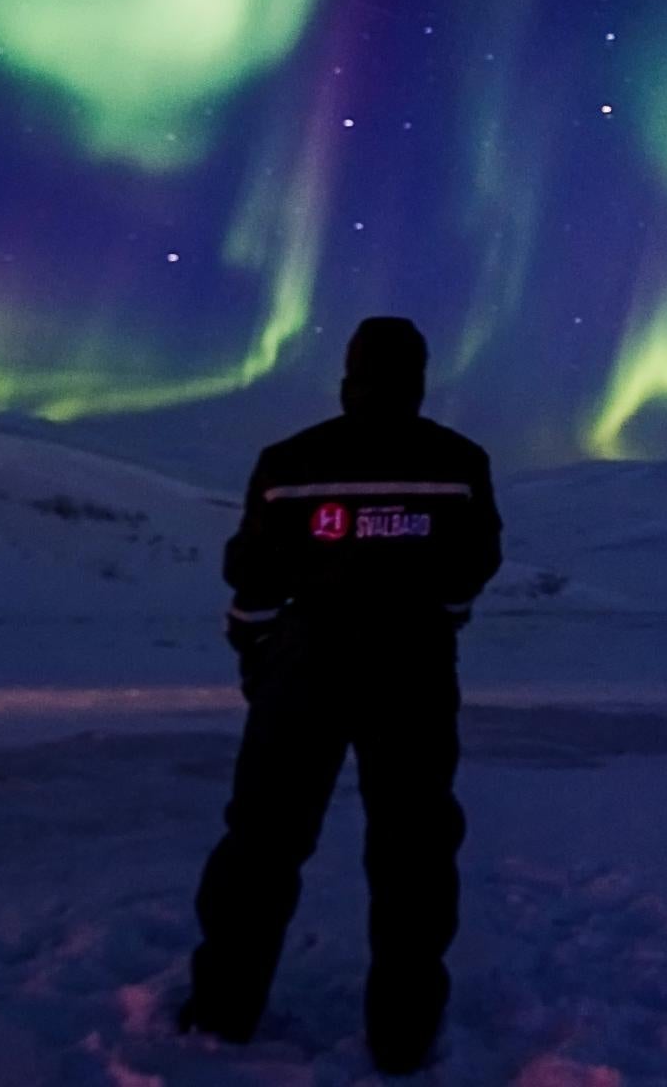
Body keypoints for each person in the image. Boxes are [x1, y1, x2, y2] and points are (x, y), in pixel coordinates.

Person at [179, 316, 503, 1074]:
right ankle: (404, 1031)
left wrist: (258, 649)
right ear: (421, 378)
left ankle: (224, 1008)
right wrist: (439, 618)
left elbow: (254, 570)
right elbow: (475, 560)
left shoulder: (291, 461)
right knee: (414, 845)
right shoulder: (458, 462)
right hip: (414, 666)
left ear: (348, 375)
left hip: (306, 663)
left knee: (262, 839)